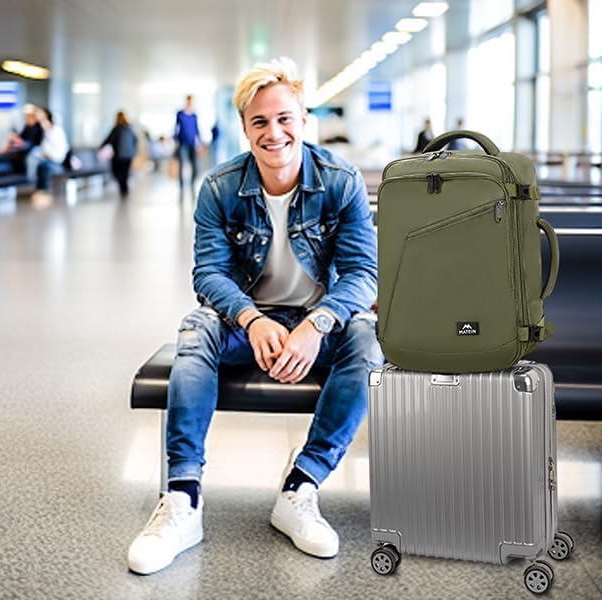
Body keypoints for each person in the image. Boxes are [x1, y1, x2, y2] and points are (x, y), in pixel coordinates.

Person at [126, 57, 381, 576]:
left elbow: (362, 273)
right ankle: (183, 499)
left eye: (285, 118)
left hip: (317, 324)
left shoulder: (341, 181)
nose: (274, 132)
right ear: (244, 128)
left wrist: (317, 323)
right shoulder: (221, 187)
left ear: (303, 119)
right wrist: (250, 318)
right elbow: (208, 274)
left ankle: (301, 487)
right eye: (260, 121)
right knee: (197, 328)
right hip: (247, 325)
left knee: (366, 339)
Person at [25, 107, 69, 198]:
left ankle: (41, 191)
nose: (41, 122)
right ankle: (37, 189)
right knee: (33, 158)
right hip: (46, 159)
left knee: (42, 166)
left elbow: (60, 152)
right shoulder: (44, 132)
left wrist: (47, 154)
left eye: (43, 119)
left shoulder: (56, 131)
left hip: (56, 162)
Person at [100, 111, 138, 197]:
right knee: (125, 172)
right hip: (129, 155)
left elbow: (109, 139)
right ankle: (124, 188)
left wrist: (101, 146)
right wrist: (133, 151)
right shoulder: (129, 128)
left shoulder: (117, 129)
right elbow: (135, 140)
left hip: (119, 156)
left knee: (117, 172)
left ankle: (123, 188)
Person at [174, 94, 201, 194]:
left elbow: (197, 129)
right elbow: (176, 128)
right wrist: (175, 141)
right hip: (182, 143)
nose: (189, 103)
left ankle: (192, 184)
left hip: (192, 143)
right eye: (188, 101)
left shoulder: (194, 115)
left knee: (195, 165)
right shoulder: (180, 114)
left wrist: (200, 143)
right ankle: (181, 186)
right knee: (182, 165)